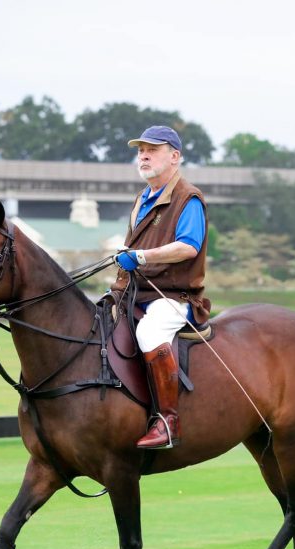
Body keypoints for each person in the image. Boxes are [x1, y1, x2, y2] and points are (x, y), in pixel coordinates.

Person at [111, 125, 209, 450]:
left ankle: (168, 421)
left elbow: (189, 246)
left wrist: (141, 256)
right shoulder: (142, 198)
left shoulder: (188, 198)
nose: (143, 155)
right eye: (140, 150)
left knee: (150, 333)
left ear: (175, 157)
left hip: (174, 297)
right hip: (137, 293)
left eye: (152, 149)